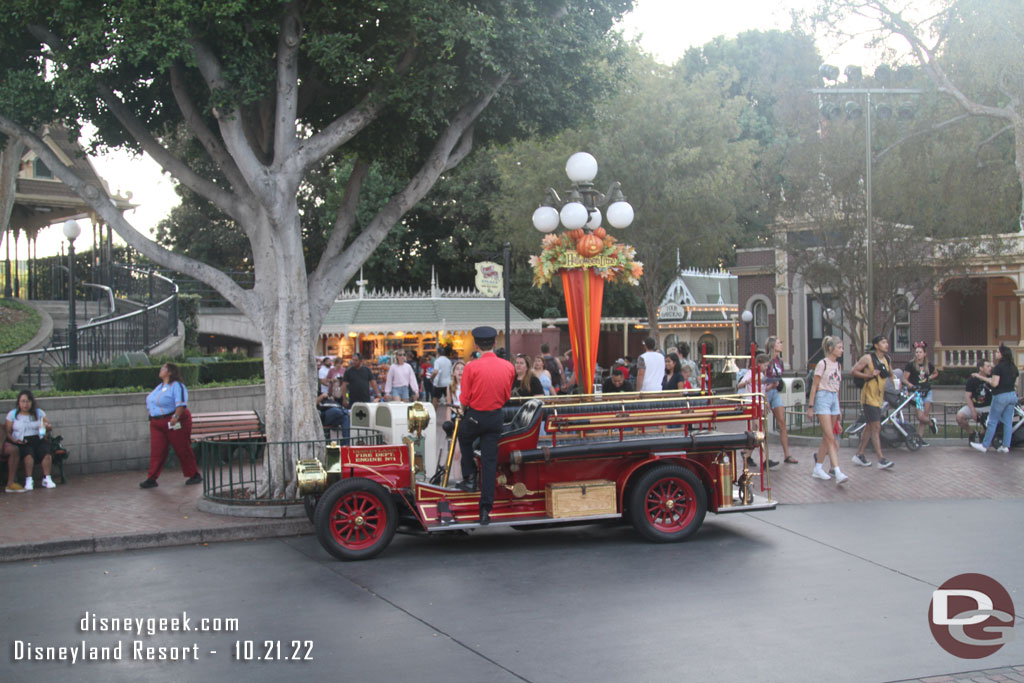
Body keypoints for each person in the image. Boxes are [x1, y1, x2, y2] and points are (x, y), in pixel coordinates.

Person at [457, 326, 515, 525]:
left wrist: (463, 408)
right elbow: (507, 396)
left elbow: (464, 398)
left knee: (463, 438)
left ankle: (470, 476)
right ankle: (485, 510)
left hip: (475, 417)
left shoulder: (471, 367)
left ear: (475, 345)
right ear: (495, 343)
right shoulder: (508, 367)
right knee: (490, 462)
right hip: (495, 418)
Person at [140, 363, 202, 488]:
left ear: (170, 372)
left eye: (163, 368)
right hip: (157, 422)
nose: (160, 370)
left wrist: (176, 417)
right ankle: (152, 478)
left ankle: (194, 474)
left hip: (174, 420)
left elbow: (181, 403)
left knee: (182, 447)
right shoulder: (160, 387)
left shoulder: (177, 386)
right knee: (157, 450)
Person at [806, 336, 847, 484]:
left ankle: (818, 468)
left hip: (833, 398)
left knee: (827, 435)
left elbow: (837, 387)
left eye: (842, 348)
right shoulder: (822, 364)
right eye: (839, 347)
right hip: (823, 397)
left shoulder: (838, 366)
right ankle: (837, 470)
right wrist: (811, 407)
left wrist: (839, 407)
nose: (842, 350)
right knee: (830, 437)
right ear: (831, 348)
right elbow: (814, 386)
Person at [851, 335, 895, 469]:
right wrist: (869, 375)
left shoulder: (886, 359)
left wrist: (896, 383)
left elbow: (891, 373)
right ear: (876, 345)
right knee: (876, 426)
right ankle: (881, 459)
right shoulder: (868, 358)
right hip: (868, 397)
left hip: (879, 398)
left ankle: (859, 454)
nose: (886, 344)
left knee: (870, 426)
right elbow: (854, 371)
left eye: (887, 342)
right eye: (883, 342)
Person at [970, 344, 1019, 453]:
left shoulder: (998, 367)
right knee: (1007, 421)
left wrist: (980, 377)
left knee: (992, 420)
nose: (996, 354)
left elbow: (994, 383)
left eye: (997, 352)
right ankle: (1006, 446)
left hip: (1001, 396)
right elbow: (1016, 383)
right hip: (1012, 395)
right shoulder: (1013, 367)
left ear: (1002, 354)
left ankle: (985, 445)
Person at [5, 390, 55, 491]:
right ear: (18, 402)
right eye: (23, 401)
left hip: (37, 438)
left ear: (32, 402)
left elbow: (49, 426)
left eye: (28, 401)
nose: (25, 404)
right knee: (28, 455)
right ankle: (29, 479)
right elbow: (8, 432)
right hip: (23, 440)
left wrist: (46, 426)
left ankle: (47, 478)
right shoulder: (13, 414)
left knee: (46, 454)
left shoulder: (39, 413)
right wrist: (14, 440)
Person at [762, 336, 793, 466]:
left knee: (782, 423)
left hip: (775, 392)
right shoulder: (766, 360)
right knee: (762, 426)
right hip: (767, 391)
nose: (781, 345)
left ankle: (787, 454)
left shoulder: (779, 360)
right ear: (773, 345)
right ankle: (756, 455)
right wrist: (766, 393)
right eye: (779, 343)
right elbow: (762, 380)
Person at [902, 341, 938, 445]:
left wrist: (929, 378)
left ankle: (919, 439)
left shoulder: (928, 365)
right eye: (917, 352)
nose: (918, 354)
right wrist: (911, 386)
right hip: (917, 394)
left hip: (927, 391)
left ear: (924, 354)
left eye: (920, 352)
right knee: (920, 416)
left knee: (923, 418)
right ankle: (931, 423)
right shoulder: (910, 365)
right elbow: (904, 379)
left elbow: (936, 373)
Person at [956, 359, 993, 434]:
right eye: (988, 366)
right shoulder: (972, 380)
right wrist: (972, 410)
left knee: (989, 420)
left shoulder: (992, 379)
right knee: (959, 417)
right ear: (981, 368)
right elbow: (967, 396)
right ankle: (972, 432)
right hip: (974, 406)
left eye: (990, 366)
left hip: (987, 406)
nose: (990, 368)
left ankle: (982, 434)